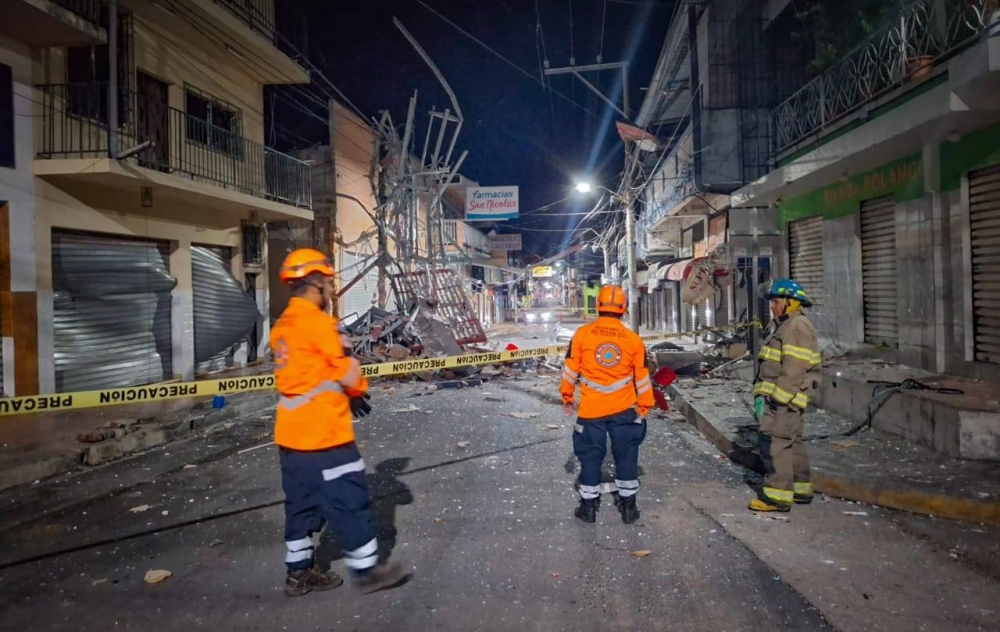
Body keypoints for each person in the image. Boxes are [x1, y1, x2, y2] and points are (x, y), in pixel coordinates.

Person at [270, 248, 408, 597]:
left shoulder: (282, 324)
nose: (331, 290)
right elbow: (347, 373)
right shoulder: (320, 324)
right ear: (315, 282)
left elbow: (309, 374)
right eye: (328, 283)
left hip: (290, 436)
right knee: (349, 499)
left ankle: (298, 573)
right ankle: (368, 571)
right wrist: (357, 388)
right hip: (325, 436)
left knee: (301, 505)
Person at [560, 285, 655, 524]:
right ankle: (629, 509)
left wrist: (567, 397)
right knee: (627, 457)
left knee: (590, 457)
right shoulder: (633, 340)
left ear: (597, 307)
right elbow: (642, 377)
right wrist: (644, 406)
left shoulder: (582, 334)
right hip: (624, 410)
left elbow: (570, 369)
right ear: (623, 310)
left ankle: (588, 508)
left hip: (591, 411)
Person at [749, 279, 821, 513]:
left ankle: (776, 496)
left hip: (783, 399)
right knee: (793, 443)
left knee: (775, 443)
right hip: (789, 398)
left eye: (777, 301)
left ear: (791, 303)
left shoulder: (796, 326)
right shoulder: (787, 325)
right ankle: (800, 489)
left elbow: (793, 369)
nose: (772, 306)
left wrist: (777, 399)